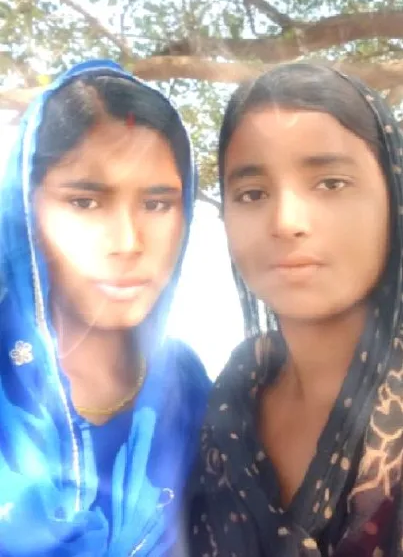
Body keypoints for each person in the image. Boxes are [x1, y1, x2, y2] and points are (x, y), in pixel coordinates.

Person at [189, 62, 403, 556]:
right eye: (252, 193)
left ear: (392, 198)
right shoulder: (231, 401)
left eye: (330, 183)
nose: (286, 222)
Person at [0, 58, 210, 556]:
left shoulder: (191, 387)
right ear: (26, 211)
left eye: (158, 204)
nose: (128, 242)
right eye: (85, 202)